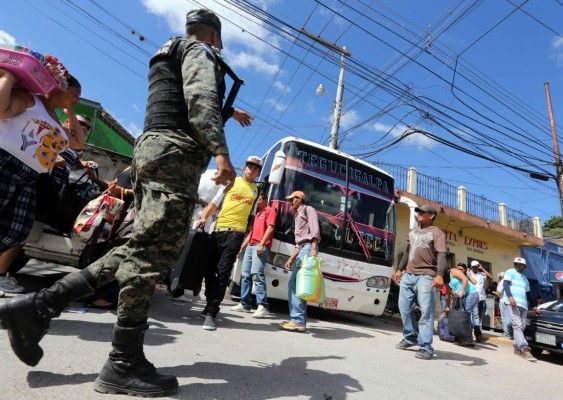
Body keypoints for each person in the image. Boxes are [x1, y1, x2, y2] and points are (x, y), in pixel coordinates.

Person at [0, 9, 252, 397]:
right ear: (216, 37)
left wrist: (226, 112)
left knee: (142, 247)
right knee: (155, 253)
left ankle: (42, 305)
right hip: (177, 155)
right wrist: (221, 154)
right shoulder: (201, 52)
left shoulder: (170, 50)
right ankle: (123, 360)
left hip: (153, 150)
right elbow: (200, 96)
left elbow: (185, 99)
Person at [0, 69, 84, 294]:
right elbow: (1, 111)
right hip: (5, 164)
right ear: (59, 87)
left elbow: (77, 143)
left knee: (16, 229)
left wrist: (69, 110)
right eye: (75, 93)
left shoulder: (57, 119)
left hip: (29, 177)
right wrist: (7, 79)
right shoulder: (29, 99)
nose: (77, 98)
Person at [196, 155, 263, 331]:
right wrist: (204, 216)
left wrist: (247, 238)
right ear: (244, 168)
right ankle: (208, 303)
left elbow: (252, 217)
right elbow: (216, 202)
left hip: (236, 234)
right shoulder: (232, 182)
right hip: (218, 230)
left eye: (256, 168)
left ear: (258, 173)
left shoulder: (256, 192)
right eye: (249, 166)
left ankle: (212, 312)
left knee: (223, 271)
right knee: (210, 271)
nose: (252, 169)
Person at [393, 204, 446, 360]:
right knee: (404, 308)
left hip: (426, 276)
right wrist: (399, 269)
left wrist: (440, 275)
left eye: (422, 212)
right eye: (418, 212)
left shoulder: (437, 233)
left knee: (426, 313)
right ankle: (410, 337)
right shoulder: (413, 232)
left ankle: (426, 347)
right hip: (408, 275)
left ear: (432, 215)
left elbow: (442, 255)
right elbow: (407, 252)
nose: (419, 214)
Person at [280, 190, 320, 333]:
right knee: (299, 286)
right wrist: (291, 258)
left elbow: (314, 231)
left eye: (292, 199)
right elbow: (299, 242)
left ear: (299, 199)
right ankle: (299, 321)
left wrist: (313, 250)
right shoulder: (297, 215)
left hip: (309, 248)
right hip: (303, 248)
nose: (290, 202)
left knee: (295, 284)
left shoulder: (309, 210)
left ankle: (297, 320)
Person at [231, 193, 277, 318]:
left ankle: (263, 306)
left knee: (257, 274)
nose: (257, 202)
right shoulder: (257, 214)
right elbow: (251, 232)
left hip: (259, 246)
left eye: (260, 200)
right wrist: (242, 247)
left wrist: (262, 244)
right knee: (245, 275)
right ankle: (245, 304)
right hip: (250, 246)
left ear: (266, 200)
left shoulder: (270, 211)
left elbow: (270, 228)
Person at [502, 257, 542, 361]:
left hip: (523, 305)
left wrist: (535, 307)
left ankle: (516, 346)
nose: (517, 266)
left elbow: (528, 295)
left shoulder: (525, 279)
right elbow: (505, 284)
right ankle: (525, 349)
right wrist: (510, 297)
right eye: (516, 264)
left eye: (520, 265)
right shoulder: (510, 272)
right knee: (517, 325)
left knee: (522, 326)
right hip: (512, 303)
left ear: (524, 266)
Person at [447, 262, 478, 346]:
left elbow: (466, 280)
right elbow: (450, 291)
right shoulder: (448, 277)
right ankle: (461, 337)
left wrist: (460, 291)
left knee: (465, 315)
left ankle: (468, 339)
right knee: (462, 315)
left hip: (471, 294)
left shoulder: (453, 272)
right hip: (463, 295)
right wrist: (448, 304)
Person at [468, 260, 492, 341]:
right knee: (473, 316)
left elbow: (490, 277)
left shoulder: (482, 274)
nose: (475, 268)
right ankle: (475, 333)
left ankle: (477, 330)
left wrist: (482, 268)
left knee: (480, 315)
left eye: (477, 266)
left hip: (482, 298)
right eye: (474, 267)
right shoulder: (469, 274)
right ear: (471, 267)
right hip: (472, 298)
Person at [494, 271, 512, 338]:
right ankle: (511, 333)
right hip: (511, 301)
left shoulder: (502, 282)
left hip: (504, 301)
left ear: (500, 277)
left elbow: (499, 292)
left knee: (505, 317)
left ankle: (507, 333)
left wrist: (495, 293)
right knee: (510, 317)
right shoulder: (511, 282)